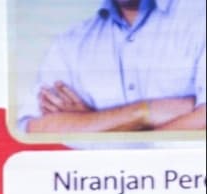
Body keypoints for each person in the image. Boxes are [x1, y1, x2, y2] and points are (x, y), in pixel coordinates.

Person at [17, 0, 206, 134]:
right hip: (98, 186)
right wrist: (142, 112)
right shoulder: (70, 43)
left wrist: (94, 123)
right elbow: (34, 127)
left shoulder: (200, 18)